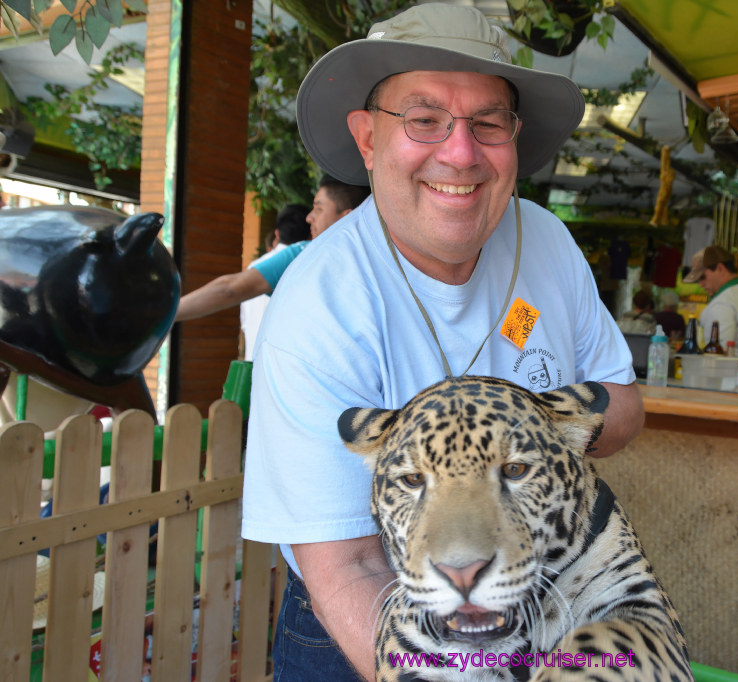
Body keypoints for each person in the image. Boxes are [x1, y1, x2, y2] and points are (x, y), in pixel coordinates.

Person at [239, 5, 645, 680]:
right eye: (425, 120)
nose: (460, 153)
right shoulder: (320, 303)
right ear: (368, 140)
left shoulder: (546, 241)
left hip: (539, 591)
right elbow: (351, 563)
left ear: (513, 136)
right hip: (371, 613)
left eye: (487, 123)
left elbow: (624, 405)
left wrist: (528, 438)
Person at [173, 178, 368, 327]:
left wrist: (164, 313)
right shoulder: (381, 261)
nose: (310, 217)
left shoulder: (305, 256)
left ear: (346, 218)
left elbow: (230, 289)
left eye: (319, 209)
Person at [239, 204, 311, 360]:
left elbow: (245, 324)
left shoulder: (253, 268)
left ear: (277, 234)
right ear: (310, 235)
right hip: (279, 370)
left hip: (250, 363)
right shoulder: (305, 264)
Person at [683, 245, 738, 351]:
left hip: (732, 368)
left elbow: (717, 356)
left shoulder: (722, 304)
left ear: (720, 268)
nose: (701, 284)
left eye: (703, 277)